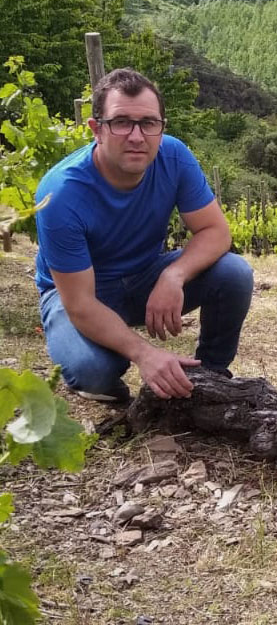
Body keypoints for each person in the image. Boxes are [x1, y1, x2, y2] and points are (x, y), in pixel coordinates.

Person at [34, 68, 253, 404]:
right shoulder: (60, 194)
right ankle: (105, 376)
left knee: (234, 273)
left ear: (161, 128)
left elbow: (217, 232)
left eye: (149, 123)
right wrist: (144, 353)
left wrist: (173, 275)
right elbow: (79, 303)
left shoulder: (174, 156)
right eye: (121, 122)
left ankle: (210, 376)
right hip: (79, 296)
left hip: (144, 277)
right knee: (94, 370)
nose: (137, 136)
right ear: (97, 130)